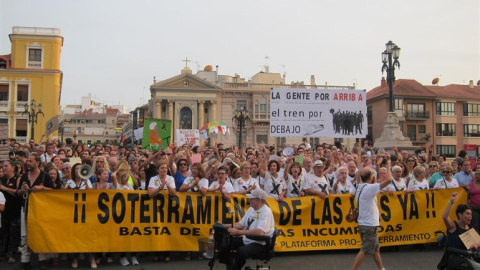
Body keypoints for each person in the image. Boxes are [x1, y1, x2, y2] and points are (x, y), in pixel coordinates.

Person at [351, 164, 392, 270]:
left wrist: (363, 166)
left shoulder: (360, 186)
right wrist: (388, 167)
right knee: (365, 249)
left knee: (375, 249)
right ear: (371, 177)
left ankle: (381, 268)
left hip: (365, 223)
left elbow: (358, 174)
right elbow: (389, 180)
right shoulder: (370, 188)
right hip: (369, 224)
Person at [224, 188, 275, 270]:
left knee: (241, 251)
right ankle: (229, 266)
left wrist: (238, 232)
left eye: (252, 198)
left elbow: (259, 232)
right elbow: (240, 224)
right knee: (226, 243)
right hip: (248, 239)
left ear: (258, 200)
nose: (249, 200)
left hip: (260, 243)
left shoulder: (266, 212)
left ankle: (235, 268)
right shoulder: (251, 209)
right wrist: (224, 226)